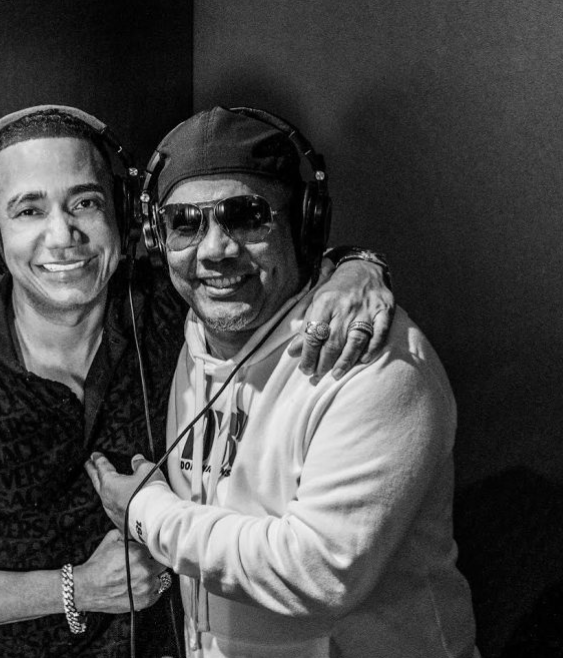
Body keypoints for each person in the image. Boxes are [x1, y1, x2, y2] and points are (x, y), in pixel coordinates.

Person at [0, 105, 394, 658]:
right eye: (29, 210)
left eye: (84, 203)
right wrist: (77, 589)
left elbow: (258, 264)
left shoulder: (173, 309)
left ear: (126, 215)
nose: (62, 235)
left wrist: (356, 266)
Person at [87, 106, 479, 658]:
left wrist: (146, 512)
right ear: (158, 239)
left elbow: (318, 572)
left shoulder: (371, 360)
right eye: (185, 223)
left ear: (302, 224)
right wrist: (358, 260)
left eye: (246, 216)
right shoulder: (187, 328)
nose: (215, 249)